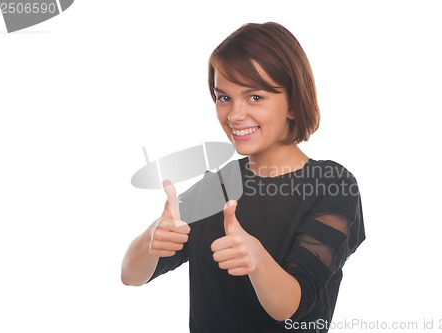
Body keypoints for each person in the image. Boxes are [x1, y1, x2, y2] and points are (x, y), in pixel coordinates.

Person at [121, 22, 365, 333]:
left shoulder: (331, 184)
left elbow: (292, 307)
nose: (234, 115)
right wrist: (152, 236)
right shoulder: (216, 186)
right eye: (224, 98)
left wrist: (256, 259)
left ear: (292, 102)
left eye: (255, 98)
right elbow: (131, 275)